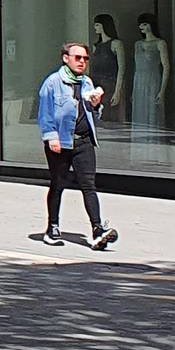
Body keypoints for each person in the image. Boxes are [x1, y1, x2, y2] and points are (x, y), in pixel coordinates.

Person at [37, 40, 117, 249]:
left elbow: (92, 115)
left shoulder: (87, 83)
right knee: (58, 184)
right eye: (78, 57)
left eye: (85, 58)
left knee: (88, 185)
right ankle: (52, 227)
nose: (82, 62)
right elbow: (45, 114)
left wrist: (96, 105)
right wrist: (51, 137)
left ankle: (97, 229)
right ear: (66, 58)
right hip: (61, 142)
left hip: (84, 141)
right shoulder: (53, 82)